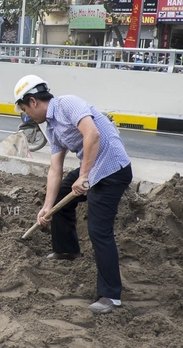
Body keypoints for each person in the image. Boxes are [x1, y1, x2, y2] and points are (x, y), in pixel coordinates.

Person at [13, 75, 132, 315]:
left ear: (33, 101)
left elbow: (93, 135)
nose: (28, 116)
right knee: (59, 199)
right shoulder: (53, 128)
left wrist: (84, 175)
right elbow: (55, 168)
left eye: (25, 110)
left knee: (99, 230)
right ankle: (66, 250)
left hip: (112, 169)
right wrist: (47, 207)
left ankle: (111, 295)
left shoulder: (68, 104)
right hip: (93, 168)